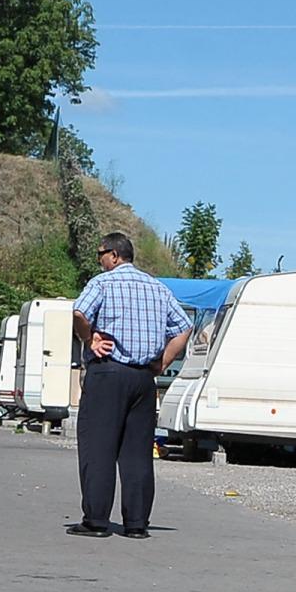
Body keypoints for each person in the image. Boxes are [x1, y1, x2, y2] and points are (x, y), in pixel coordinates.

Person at [66, 231, 192, 539]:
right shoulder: (157, 288)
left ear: (113, 255)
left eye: (100, 255)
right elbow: (184, 328)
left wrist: (89, 338)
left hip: (109, 373)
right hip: (142, 379)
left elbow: (79, 312)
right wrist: (163, 361)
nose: (99, 261)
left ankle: (96, 520)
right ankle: (136, 523)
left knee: (99, 448)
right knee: (137, 454)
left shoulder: (102, 283)